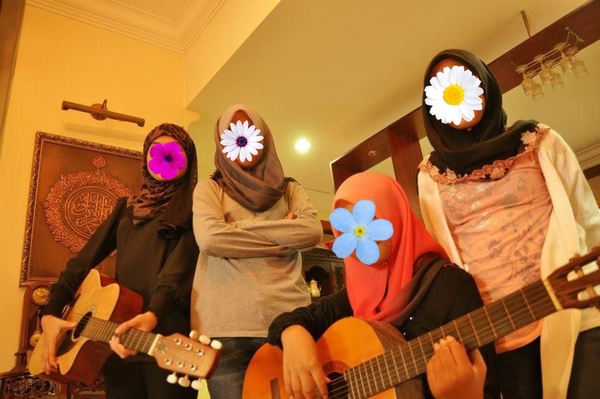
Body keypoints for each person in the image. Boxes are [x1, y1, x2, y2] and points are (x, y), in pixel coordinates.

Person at [417, 49, 600, 399]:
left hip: (570, 308)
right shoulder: (430, 176)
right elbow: (447, 256)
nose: (456, 92)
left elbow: (587, 218)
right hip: (498, 332)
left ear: (485, 83)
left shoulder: (539, 141)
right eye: (444, 87)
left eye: (465, 80)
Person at [267, 172, 499, 399]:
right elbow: (289, 321)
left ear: (395, 213)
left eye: (369, 219)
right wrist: (293, 334)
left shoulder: (450, 286)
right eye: (347, 230)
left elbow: (487, 387)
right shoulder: (356, 296)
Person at [39, 123, 200, 399]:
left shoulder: (197, 208)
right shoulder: (127, 208)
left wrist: (153, 314)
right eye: (156, 151)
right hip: (115, 339)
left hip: (165, 340)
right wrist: (50, 314)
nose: (165, 158)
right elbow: (82, 262)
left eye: (175, 152)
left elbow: (176, 274)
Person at [191, 103, 323, 398]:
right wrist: (284, 235)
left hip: (290, 324)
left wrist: (234, 229)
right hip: (226, 333)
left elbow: (312, 232)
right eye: (232, 134)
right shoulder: (208, 189)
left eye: (251, 133)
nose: (242, 141)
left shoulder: (290, 189)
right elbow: (211, 239)